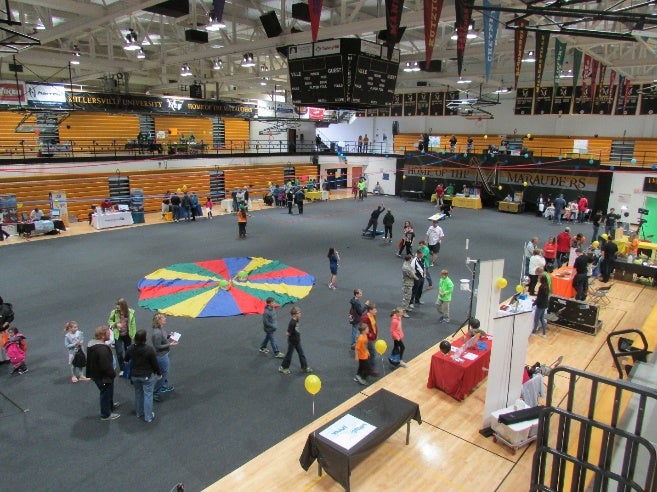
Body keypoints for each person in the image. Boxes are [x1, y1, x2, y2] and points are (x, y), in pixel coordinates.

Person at [125, 329, 162, 423]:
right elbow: (154, 364)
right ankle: (148, 416)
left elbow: (126, 360)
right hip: (146, 376)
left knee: (138, 393)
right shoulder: (149, 349)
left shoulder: (130, 348)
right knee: (148, 395)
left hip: (134, 376)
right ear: (144, 339)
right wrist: (159, 373)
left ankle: (139, 412)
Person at [86, 326, 119, 420]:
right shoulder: (102, 350)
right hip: (103, 377)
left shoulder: (92, 344)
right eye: (108, 333)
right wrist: (112, 374)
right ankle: (106, 414)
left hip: (98, 375)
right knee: (105, 393)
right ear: (102, 336)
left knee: (108, 392)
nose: (110, 335)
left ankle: (110, 406)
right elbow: (106, 366)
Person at [278, 306, 312, 374]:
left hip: (297, 341)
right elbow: (288, 333)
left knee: (301, 354)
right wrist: (293, 336)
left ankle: (304, 367)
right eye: (298, 313)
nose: (300, 314)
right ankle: (283, 367)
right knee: (289, 355)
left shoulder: (297, 320)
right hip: (292, 342)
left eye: (300, 312)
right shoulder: (292, 323)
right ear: (294, 314)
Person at [108, 297, 136, 377]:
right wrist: (115, 324)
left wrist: (133, 336)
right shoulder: (114, 312)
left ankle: (129, 366)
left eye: (119, 305)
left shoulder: (130, 313)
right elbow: (109, 321)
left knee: (128, 351)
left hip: (127, 335)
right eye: (116, 305)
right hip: (118, 335)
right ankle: (122, 368)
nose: (117, 306)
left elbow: (133, 325)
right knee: (119, 352)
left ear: (123, 306)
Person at [152, 313, 177, 401]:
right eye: (163, 318)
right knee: (163, 373)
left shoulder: (161, 329)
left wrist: (169, 336)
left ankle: (163, 386)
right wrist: (170, 344)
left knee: (164, 372)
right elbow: (157, 346)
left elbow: (163, 339)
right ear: (159, 321)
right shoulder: (157, 333)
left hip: (164, 354)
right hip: (161, 356)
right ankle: (156, 392)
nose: (165, 319)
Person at [360, 304, 379, 375]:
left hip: (372, 337)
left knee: (370, 353)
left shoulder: (373, 316)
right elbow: (363, 329)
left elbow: (374, 326)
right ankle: (371, 369)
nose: (376, 311)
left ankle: (368, 368)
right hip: (367, 339)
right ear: (370, 310)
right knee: (372, 353)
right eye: (375, 310)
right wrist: (370, 335)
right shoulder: (365, 318)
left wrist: (375, 334)